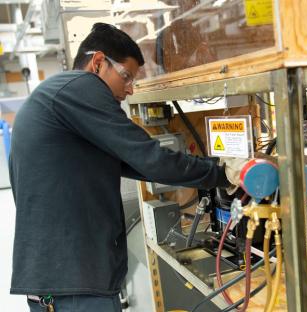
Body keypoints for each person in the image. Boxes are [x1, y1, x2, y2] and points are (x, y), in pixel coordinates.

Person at [9, 23, 238, 311]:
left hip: (59, 280)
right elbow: (150, 158)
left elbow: (136, 163)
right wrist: (225, 172)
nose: (129, 90)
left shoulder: (56, 97)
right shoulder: (80, 88)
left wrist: (215, 171)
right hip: (75, 284)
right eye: (126, 77)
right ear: (98, 63)